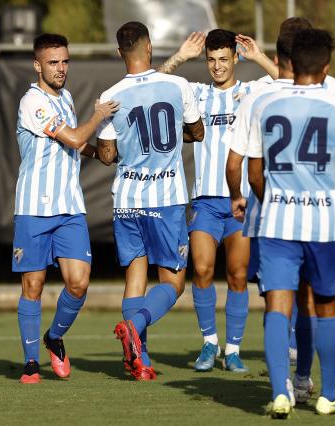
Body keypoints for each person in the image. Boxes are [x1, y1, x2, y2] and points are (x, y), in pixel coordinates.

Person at [246, 29, 335, 418]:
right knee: (326, 306)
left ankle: (279, 392)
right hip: (323, 226)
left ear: (288, 63)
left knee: (277, 306)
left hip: (276, 223)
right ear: (325, 67)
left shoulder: (266, 105)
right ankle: (327, 394)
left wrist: (274, 201)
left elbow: (254, 172)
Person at [227, 17, 335, 405]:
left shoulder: (256, 99)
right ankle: (305, 381)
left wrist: (255, 197)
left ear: (281, 52)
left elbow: (240, 166)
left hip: (270, 215)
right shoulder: (330, 92)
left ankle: (281, 387)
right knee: (312, 303)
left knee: (276, 301)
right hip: (320, 217)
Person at [157, 29, 277, 372]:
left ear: (235, 59)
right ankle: (209, 344)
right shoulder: (195, 93)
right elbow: (149, 85)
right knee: (203, 270)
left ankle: (233, 349)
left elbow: (289, 81)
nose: (217, 66)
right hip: (206, 202)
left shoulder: (251, 91)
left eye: (224, 59)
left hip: (240, 203)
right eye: (211, 60)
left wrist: (260, 57)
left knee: (238, 275)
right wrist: (180, 57)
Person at [96, 21, 204, 381]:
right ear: (150, 47)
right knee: (173, 283)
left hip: (126, 200)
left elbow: (108, 155)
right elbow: (197, 131)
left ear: (118, 54)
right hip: (166, 199)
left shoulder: (110, 96)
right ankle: (135, 325)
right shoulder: (177, 85)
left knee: (134, 279)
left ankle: (140, 361)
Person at [13, 33, 120, 384]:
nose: (61, 68)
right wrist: (99, 116)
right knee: (34, 285)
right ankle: (31, 363)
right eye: (53, 62)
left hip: (70, 207)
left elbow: (76, 144)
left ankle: (54, 337)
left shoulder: (68, 97)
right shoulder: (33, 101)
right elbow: (72, 137)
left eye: (65, 61)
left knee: (78, 283)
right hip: (33, 208)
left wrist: (100, 154)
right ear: (37, 65)